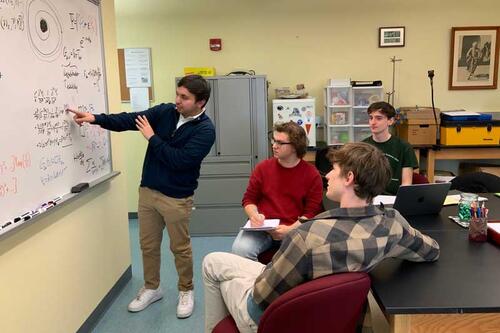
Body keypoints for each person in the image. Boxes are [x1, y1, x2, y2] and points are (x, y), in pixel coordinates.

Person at [203, 142, 440, 333]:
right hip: (324, 311)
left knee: (213, 267)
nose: (327, 175)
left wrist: (242, 283)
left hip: (268, 317)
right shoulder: (392, 224)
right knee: (219, 262)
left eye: (333, 171)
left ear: (348, 178)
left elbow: (261, 299)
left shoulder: (307, 236)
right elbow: (431, 250)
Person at [68, 75, 215, 318]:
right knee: (147, 245)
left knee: (180, 248)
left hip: (177, 198)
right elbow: (129, 119)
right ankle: (152, 287)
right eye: (177, 94)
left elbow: (179, 161)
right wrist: (96, 118)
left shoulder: (205, 130)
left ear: (201, 102)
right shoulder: (166, 112)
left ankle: (186, 290)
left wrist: (152, 138)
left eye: (184, 97)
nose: (177, 100)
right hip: (148, 192)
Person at [231, 121, 323, 261]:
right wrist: (254, 215)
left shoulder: (312, 174)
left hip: (294, 229)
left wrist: (290, 229)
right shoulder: (263, 168)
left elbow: (311, 213)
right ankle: (256, 282)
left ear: (295, 146)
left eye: (280, 143)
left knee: (308, 259)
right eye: (273, 140)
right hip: (263, 228)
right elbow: (249, 199)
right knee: (240, 250)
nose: (274, 146)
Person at [363, 101, 418, 195]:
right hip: (369, 199)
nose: (373, 122)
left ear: (390, 121)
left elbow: (406, 184)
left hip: (394, 199)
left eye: (378, 118)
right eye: (371, 118)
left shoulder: (404, 147)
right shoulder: (363, 147)